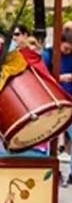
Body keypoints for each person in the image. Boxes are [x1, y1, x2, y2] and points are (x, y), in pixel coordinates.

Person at [43, 31, 72, 186]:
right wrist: (60, 78)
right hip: (53, 100)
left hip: (70, 98)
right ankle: (54, 171)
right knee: (51, 137)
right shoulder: (47, 55)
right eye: (66, 49)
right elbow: (42, 76)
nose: (67, 52)